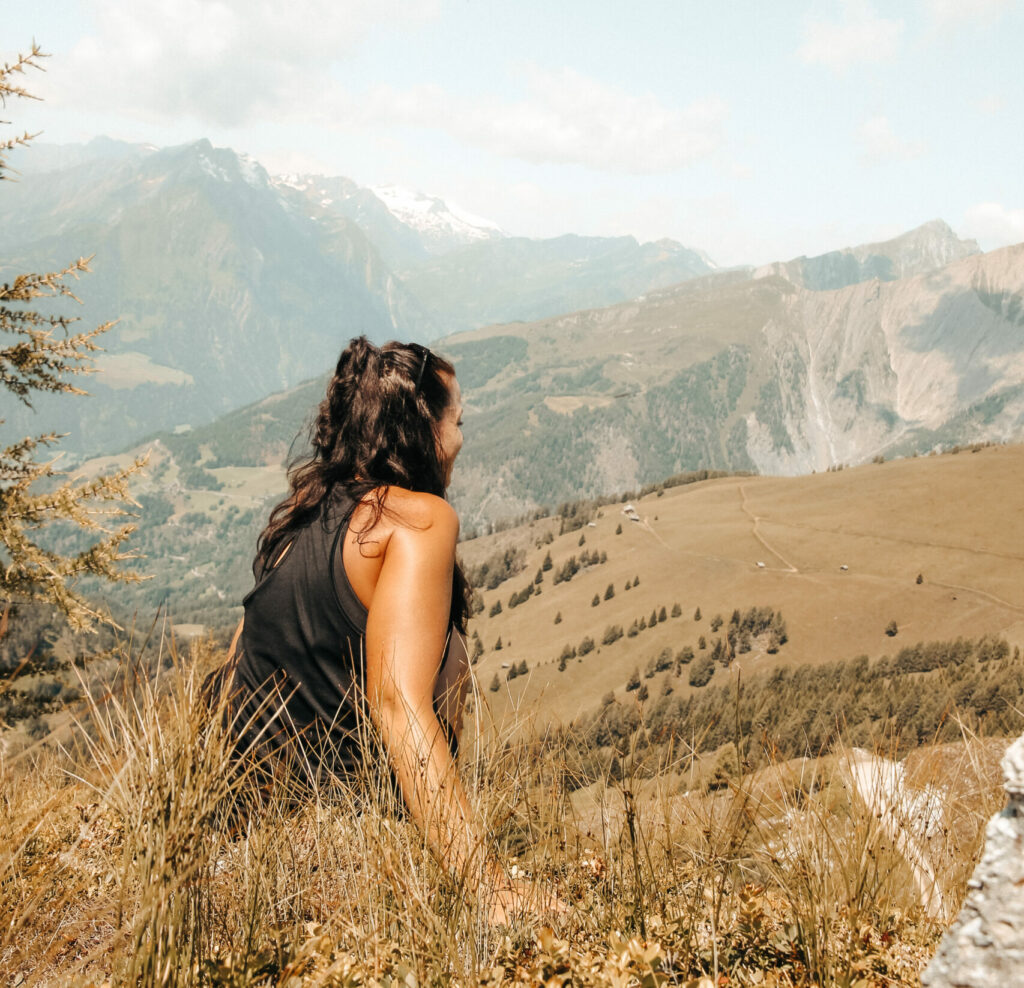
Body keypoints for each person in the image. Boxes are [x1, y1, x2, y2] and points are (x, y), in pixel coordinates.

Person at [220, 336, 557, 924]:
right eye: (458, 421)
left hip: (235, 823)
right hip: (336, 837)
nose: (461, 438)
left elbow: (239, 660)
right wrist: (487, 885)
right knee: (445, 652)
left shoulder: (304, 505)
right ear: (424, 428)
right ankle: (430, 841)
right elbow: (397, 706)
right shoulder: (416, 521)